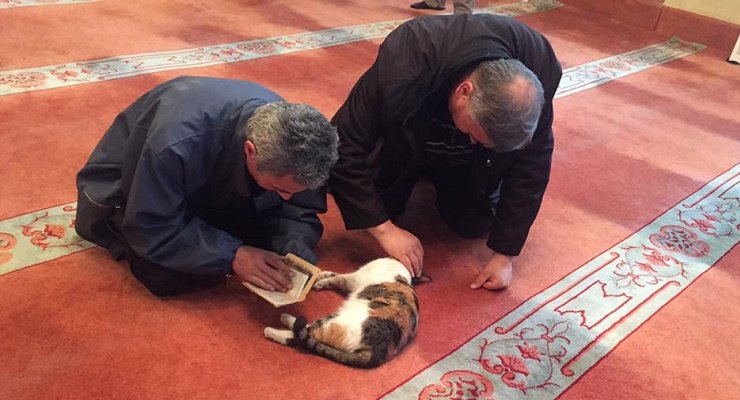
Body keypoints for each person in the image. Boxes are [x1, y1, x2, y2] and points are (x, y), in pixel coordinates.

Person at [329, 14, 562, 290]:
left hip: (465, 164)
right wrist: (383, 228)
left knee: (473, 224)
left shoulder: (540, 67)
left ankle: (448, 179)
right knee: (379, 205)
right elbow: (343, 141)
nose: (473, 141)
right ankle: (414, 179)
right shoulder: (405, 61)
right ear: (465, 92)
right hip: (405, 142)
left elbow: (532, 163)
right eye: (475, 134)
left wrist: (505, 256)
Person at [75, 76, 339, 297]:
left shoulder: (304, 147)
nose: (289, 197)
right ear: (251, 151)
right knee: (163, 275)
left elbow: (300, 208)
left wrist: (292, 248)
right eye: (281, 189)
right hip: (133, 189)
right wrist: (232, 256)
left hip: (214, 180)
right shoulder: (174, 145)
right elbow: (150, 225)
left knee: (266, 243)